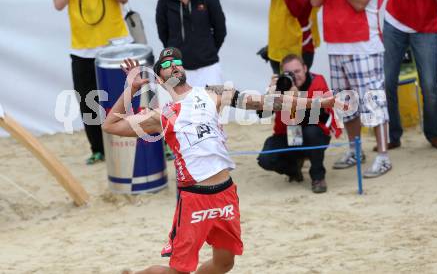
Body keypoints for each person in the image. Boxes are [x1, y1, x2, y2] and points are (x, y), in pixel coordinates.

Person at [102, 47, 336, 274]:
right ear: (160, 79)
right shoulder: (161, 114)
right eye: (165, 64)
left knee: (224, 263)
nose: (172, 65)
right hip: (195, 197)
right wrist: (131, 90)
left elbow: (269, 102)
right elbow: (110, 125)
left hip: (225, 192)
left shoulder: (213, 93)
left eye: (176, 61)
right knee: (179, 271)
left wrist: (319, 103)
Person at [310, 0, 392, 178]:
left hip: (364, 46)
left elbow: (358, 3)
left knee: (374, 103)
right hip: (336, 46)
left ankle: (384, 156)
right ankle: (355, 150)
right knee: (347, 106)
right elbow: (315, 0)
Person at [52, 0, 130, 164]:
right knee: (88, 102)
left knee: (129, 95)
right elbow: (58, 4)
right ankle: (98, 149)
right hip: (82, 50)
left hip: (116, 46)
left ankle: (142, 141)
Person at [383, 0, 437, 150]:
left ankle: (434, 133)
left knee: (430, 85)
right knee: (387, 81)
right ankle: (392, 134)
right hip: (395, 20)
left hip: (426, 25)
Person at [257, 54, 342, 193]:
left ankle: (318, 176)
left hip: (314, 134)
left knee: (312, 131)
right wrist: (270, 94)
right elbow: (262, 115)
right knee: (265, 159)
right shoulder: (281, 86)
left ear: (305, 68)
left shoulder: (317, 81)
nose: (294, 77)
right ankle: (293, 169)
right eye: (289, 73)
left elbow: (320, 116)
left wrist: (296, 100)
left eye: (297, 71)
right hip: (288, 134)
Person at [156, 0, 226, 87]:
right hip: (178, 69)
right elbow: (163, 34)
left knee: (214, 106)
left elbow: (220, 30)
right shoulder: (163, 3)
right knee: (183, 108)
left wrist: (208, 50)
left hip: (209, 66)